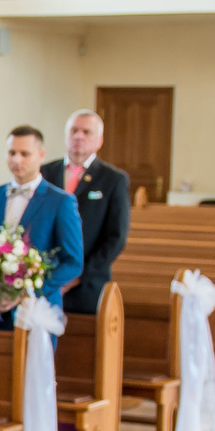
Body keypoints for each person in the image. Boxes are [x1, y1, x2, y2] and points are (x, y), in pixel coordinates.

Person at [0, 125, 82, 328]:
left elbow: (73, 263)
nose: (16, 160)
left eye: (24, 154)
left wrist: (26, 292)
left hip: (37, 309)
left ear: (41, 155)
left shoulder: (61, 201)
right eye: (12, 153)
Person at [42, 109, 131, 315]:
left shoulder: (112, 179)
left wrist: (78, 276)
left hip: (87, 287)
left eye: (86, 132)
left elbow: (115, 238)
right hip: (45, 280)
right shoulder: (45, 173)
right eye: (73, 130)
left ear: (99, 141)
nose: (78, 136)